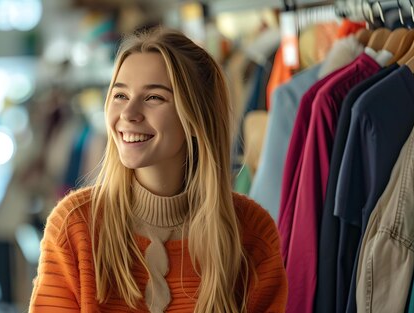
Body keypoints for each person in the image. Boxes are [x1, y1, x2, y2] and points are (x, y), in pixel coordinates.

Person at [29, 27, 287, 313]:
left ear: (195, 116)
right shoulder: (74, 226)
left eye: (154, 97)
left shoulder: (251, 232)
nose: (128, 114)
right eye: (120, 96)